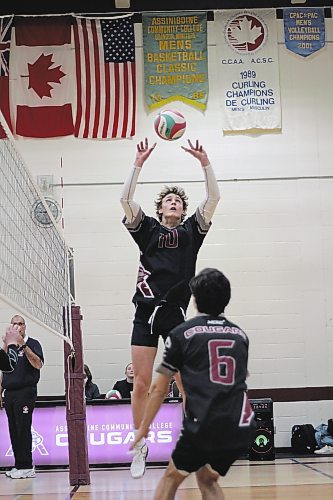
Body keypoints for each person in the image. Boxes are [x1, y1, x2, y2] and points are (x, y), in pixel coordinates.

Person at [120, 138, 220, 478]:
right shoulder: (146, 229)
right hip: (144, 312)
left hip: (175, 314)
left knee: (187, 383)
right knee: (142, 384)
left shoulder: (193, 231)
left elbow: (214, 198)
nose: (174, 203)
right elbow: (124, 199)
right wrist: (138, 163)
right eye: (169, 200)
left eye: (178, 200)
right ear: (161, 209)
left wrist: (204, 162)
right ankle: (140, 444)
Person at [131, 268, 255, 500]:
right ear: (226, 299)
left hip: (206, 422)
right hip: (241, 424)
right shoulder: (240, 335)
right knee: (207, 478)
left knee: (171, 478)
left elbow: (158, 388)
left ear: (195, 301)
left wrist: (144, 428)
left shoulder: (182, 334)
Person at [1, 315, 44, 479]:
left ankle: (27, 466)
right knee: (13, 429)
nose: (17, 326)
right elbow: (4, 370)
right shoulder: (8, 347)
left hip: (25, 392)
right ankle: (19, 465)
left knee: (23, 428)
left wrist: (22, 345)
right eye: (14, 323)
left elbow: (38, 364)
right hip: (10, 393)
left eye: (20, 323)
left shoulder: (33, 344)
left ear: (24, 327)